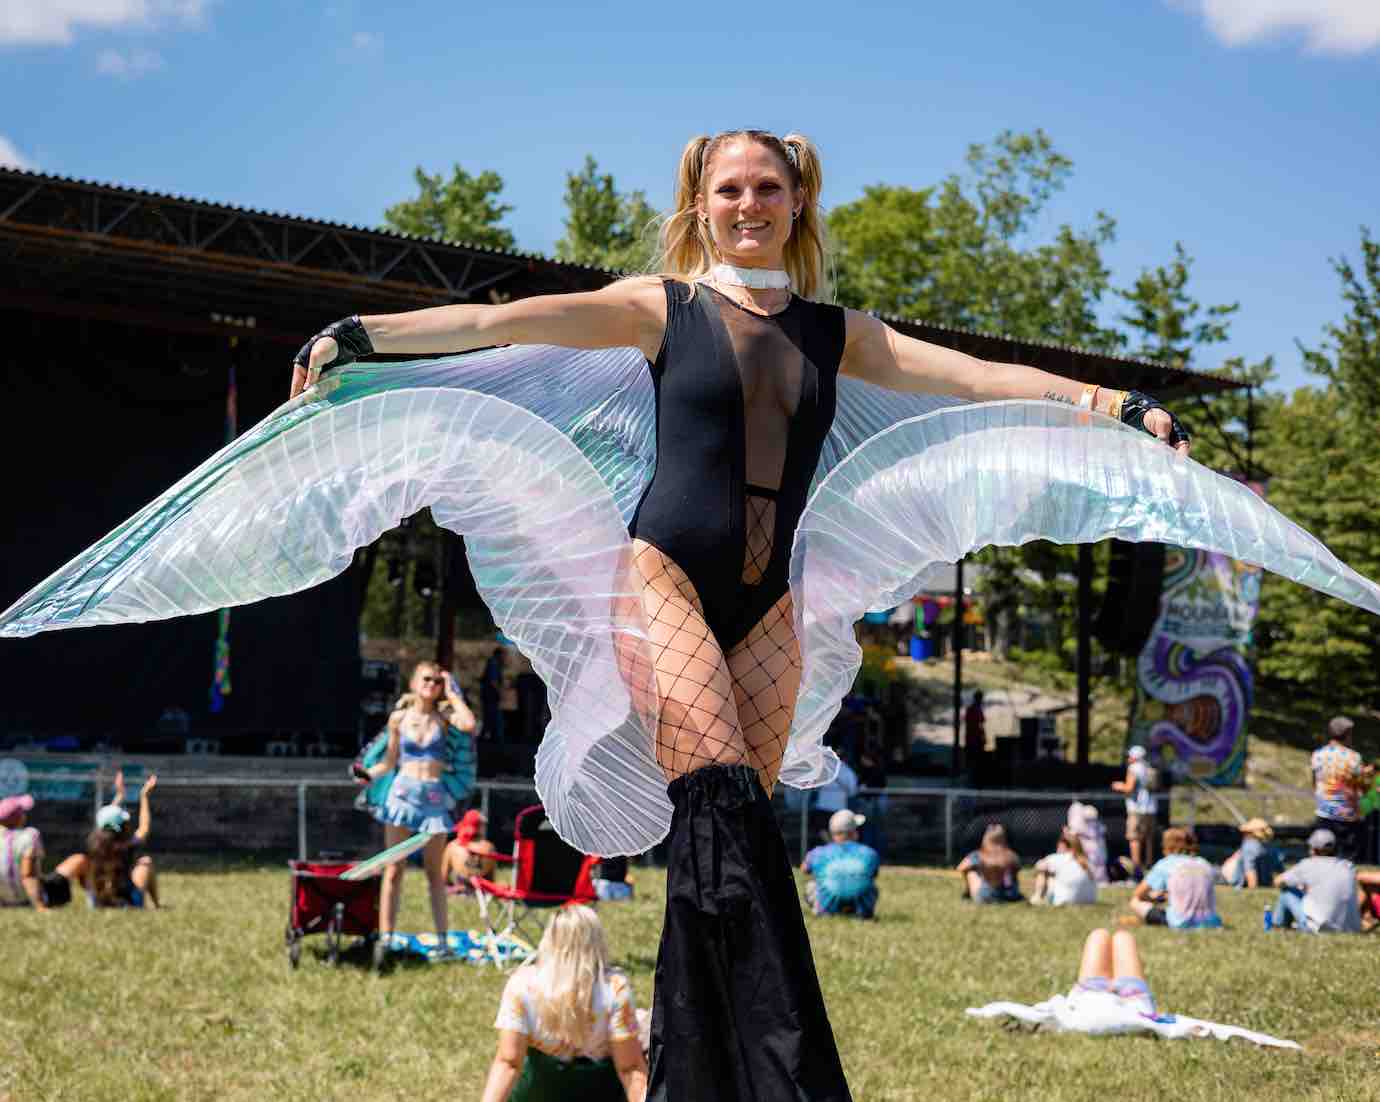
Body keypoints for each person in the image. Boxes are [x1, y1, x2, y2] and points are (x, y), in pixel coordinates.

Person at [966, 926, 1300, 1048]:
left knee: (1104, 935)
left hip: (1106, 1000)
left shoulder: (1068, 1022)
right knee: (1115, 936)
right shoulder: (1068, 1022)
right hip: (1122, 1003)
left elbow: (1017, 1012)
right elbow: (1213, 1029)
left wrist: (985, 1011)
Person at [354, 662, 477, 966]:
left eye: (437, 681)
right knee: (393, 870)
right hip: (402, 797)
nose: (432, 684)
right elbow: (389, 761)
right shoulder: (399, 718)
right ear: (413, 682)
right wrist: (368, 774)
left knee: (435, 874)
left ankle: (443, 941)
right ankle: (386, 939)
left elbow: (469, 724)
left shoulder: (445, 716)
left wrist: (453, 692)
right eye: (427, 679)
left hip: (433, 799)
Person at [481, 904, 647, 1102]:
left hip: (536, 1094)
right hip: (599, 1093)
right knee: (646, 1021)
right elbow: (629, 1068)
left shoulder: (522, 985)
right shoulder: (614, 989)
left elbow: (508, 1063)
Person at [59, 771, 161, 909]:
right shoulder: (127, 845)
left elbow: (109, 818)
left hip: (97, 902)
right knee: (145, 863)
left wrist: (119, 795)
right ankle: (156, 904)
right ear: (122, 827)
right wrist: (144, 796)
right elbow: (144, 828)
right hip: (127, 901)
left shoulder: (93, 844)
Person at [1268, 827, 1361, 934]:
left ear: (1313, 848)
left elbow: (1278, 881)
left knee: (1287, 893)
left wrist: (1299, 887)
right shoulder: (1348, 866)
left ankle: (1277, 925)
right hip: (1349, 928)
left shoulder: (1308, 864)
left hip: (1319, 928)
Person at [1127, 827, 1221, 929]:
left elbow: (1138, 893)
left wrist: (1154, 898)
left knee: (1134, 902)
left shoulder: (1166, 864)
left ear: (1167, 846)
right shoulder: (1204, 863)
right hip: (1211, 921)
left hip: (1182, 922)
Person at [1310, 715, 1370, 863]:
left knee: (1324, 856)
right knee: (1347, 859)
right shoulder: (1353, 758)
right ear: (1347, 733)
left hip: (1324, 812)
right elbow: (1361, 787)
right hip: (1347, 815)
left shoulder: (1317, 755)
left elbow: (1314, 782)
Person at [801, 809, 880, 919]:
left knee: (811, 885)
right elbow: (874, 874)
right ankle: (862, 912)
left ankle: (823, 910)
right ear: (854, 832)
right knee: (872, 886)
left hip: (827, 908)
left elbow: (804, 869)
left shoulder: (818, 853)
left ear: (833, 833)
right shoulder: (870, 853)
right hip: (861, 908)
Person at [0, 794, 52, 910]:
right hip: (24, 900)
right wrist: (40, 906)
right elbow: (28, 874)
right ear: (19, 817)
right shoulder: (30, 835)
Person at [1111, 745, 1156, 878]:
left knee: (1134, 838)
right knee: (1148, 838)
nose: (1128, 758)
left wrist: (1119, 786)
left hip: (1137, 808)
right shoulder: (1148, 767)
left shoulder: (1133, 768)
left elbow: (1129, 788)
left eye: (1130, 756)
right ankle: (1149, 865)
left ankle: (1137, 869)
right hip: (1151, 807)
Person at [1030, 827, 1098, 906]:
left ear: (1063, 846)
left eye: (1058, 847)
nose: (1057, 850)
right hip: (1090, 901)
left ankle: (1036, 898)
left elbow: (1038, 866)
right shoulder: (1088, 861)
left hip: (1065, 901)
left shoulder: (1058, 858)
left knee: (1043, 873)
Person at [958, 823, 1022, 904]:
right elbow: (1017, 868)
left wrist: (979, 870)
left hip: (988, 896)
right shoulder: (1012, 855)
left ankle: (968, 892)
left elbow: (961, 867)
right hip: (1012, 895)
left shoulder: (978, 855)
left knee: (970, 872)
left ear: (985, 839)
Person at [445, 807, 498, 892]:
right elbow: (491, 881)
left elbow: (443, 878)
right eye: (484, 825)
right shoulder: (490, 848)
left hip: (458, 892)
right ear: (480, 827)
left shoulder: (453, 846)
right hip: (482, 893)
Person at [1219, 818, 1282, 890]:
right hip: (1265, 884)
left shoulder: (1249, 846)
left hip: (1235, 881)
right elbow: (1280, 870)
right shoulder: (1271, 847)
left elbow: (1250, 871)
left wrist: (1252, 889)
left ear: (1250, 833)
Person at [810, 750, 860, 842]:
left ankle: (830, 846)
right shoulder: (849, 771)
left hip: (823, 806)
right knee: (839, 832)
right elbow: (853, 792)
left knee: (822, 829)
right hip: (838, 808)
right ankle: (834, 846)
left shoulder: (824, 768)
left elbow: (814, 785)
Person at [1067, 801, 1110, 884]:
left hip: (1096, 847)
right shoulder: (1078, 825)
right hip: (1087, 850)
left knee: (1099, 863)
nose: (1091, 821)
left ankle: (1100, 879)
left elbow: (1102, 830)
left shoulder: (1097, 827)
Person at [482, 647, 507, 743]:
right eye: (503, 655)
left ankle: (489, 735)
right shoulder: (494, 664)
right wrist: (500, 692)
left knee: (489, 715)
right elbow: (493, 681)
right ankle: (493, 737)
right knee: (492, 715)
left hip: (489, 694)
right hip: (490, 695)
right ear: (499, 655)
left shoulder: (493, 663)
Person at [963, 690, 986, 779]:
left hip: (973, 736)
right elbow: (980, 723)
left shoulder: (974, 709)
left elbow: (981, 723)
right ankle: (972, 775)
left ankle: (973, 774)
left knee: (973, 757)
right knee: (974, 756)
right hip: (974, 737)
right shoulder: (974, 709)